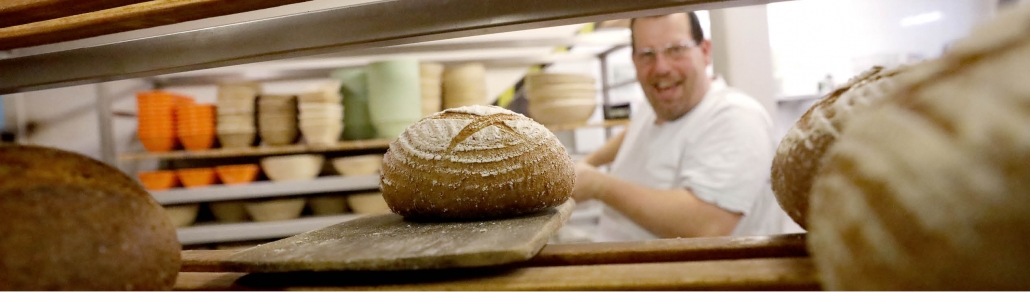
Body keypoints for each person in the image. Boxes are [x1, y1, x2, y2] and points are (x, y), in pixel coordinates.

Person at [573, 11, 802, 242]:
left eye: (676, 49)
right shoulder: (659, 102)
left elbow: (706, 224)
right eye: (647, 54)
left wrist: (599, 186)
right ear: (634, 61)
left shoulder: (736, 117)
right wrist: (588, 163)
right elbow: (635, 131)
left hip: (693, 277)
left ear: (704, 51)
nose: (661, 67)